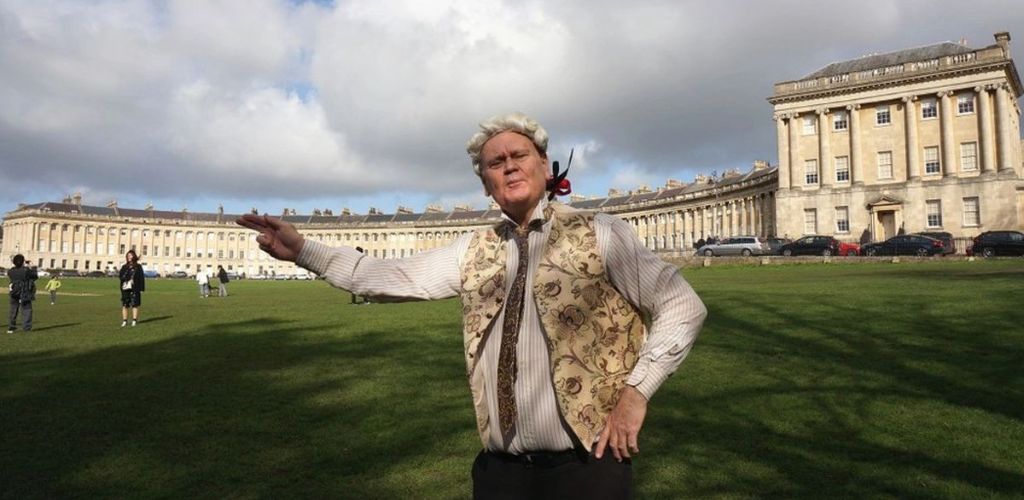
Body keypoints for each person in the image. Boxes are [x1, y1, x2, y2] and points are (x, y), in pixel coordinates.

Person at [238, 112, 707, 498]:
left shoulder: (601, 233)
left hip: (586, 468)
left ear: (546, 166)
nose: (508, 166)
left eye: (519, 155)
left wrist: (636, 393)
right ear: (485, 184)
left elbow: (682, 305)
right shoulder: (473, 249)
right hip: (500, 473)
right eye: (494, 163)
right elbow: (391, 277)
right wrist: (304, 251)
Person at [7, 254, 38, 333]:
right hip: (24, 291)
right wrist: (31, 265)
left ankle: (11, 327)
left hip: (14, 291)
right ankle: (26, 328)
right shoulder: (26, 270)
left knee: (13, 310)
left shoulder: (10, 271)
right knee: (27, 310)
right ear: (22, 262)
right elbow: (35, 276)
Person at [118, 250, 146, 327]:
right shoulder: (124, 267)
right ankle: (125, 321)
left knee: (135, 304)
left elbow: (141, 278)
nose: (129, 257)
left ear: (134, 256)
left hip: (135, 288)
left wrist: (141, 289)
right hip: (125, 288)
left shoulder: (138, 267)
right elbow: (121, 276)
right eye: (128, 255)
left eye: (130, 255)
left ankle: (134, 320)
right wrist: (127, 279)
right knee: (125, 305)